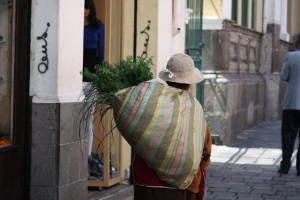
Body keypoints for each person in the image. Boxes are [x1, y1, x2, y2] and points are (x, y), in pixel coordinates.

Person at [131, 54, 212, 200]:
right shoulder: (195, 109)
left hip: (148, 183)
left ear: (167, 79)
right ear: (189, 83)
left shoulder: (150, 104)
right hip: (183, 185)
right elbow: (206, 150)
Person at [278, 40, 300, 176]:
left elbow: (283, 76)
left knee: (288, 135)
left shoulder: (291, 56)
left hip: (292, 102)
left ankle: (285, 165)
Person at [84, 0, 105, 77]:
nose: (84, 11)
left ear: (91, 9)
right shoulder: (74, 25)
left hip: (92, 63)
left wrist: (101, 67)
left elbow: (101, 47)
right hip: (76, 61)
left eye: (87, 8)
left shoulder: (99, 25)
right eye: (82, 7)